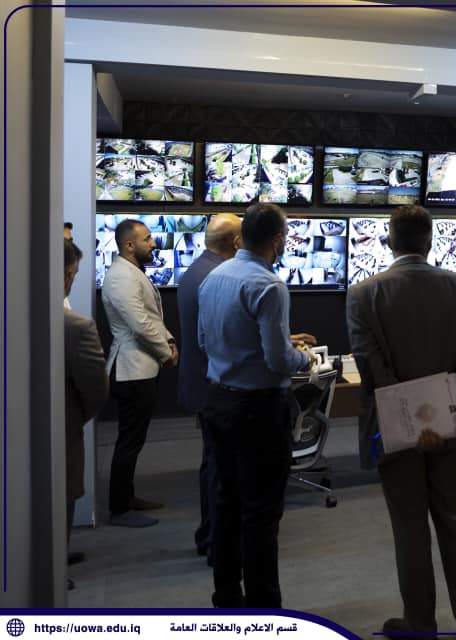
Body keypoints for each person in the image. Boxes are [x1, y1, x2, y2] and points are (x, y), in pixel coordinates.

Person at [346, 205, 456, 640]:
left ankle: (420, 623)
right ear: (430, 242)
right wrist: (444, 415)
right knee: (455, 520)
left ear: (389, 242)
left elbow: (371, 368)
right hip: (450, 431)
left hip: (395, 433)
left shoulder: (363, 294)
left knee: (409, 529)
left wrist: (410, 423)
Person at [197, 203, 317, 608]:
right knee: (261, 513)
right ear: (278, 239)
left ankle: (226, 596)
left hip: (217, 402)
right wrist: (305, 359)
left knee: (225, 502)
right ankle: (264, 609)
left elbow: (204, 341)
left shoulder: (213, 277)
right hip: (258, 410)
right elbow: (279, 361)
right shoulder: (269, 285)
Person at [101, 218, 178, 527]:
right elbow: (139, 324)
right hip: (131, 369)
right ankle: (120, 508)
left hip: (141, 366)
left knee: (134, 438)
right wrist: (165, 351)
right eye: (147, 239)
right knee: (129, 440)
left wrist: (169, 340)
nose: (153, 243)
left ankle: (127, 497)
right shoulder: (121, 276)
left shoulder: (131, 272)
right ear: (129, 245)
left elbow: (151, 317)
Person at [176, 213, 242, 564]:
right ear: (236, 241)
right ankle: (216, 540)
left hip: (202, 381)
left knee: (214, 463)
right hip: (215, 385)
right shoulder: (217, 277)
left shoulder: (197, 270)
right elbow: (217, 339)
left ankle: (211, 535)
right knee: (219, 467)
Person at [63, 239, 109, 586]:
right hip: (64, 428)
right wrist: (79, 416)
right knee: (60, 496)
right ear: (67, 274)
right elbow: (95, 388)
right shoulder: (76, 326)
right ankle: (51, 570)